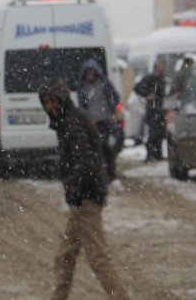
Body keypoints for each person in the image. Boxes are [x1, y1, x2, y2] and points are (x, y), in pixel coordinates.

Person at [39, 79, 129, 300]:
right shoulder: (72, 119)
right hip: (82, 197)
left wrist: (79, 190)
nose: (50, 106)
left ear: (62, 99)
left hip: (86, 198)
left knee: (98, 257)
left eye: (53, 100)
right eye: (46, 102)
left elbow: (83, 159)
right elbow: (103, 151)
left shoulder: (73, 122)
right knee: (65, 255)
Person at [77, 60, 121, 181]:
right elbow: (82, 105)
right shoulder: (83, 88)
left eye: (92, 73)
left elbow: (114, 96)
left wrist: (114, 110)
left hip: (104, 120)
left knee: (106, 147)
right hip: (92, 122)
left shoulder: (104, 84)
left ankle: (108, 173)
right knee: (95, 149)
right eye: (88, 74)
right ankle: (99, 173)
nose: (90, 76)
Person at [133, 61, 166, 162]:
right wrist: (147, 94)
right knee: (153, 133)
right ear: (156, 67)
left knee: (159, 133)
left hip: (160, 109)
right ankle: (150, 154)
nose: (162, 68)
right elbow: (137, 87)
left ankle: (157, 154)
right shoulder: (151, 78)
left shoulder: (162, 78)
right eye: (160, 66)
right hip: (153, 110)